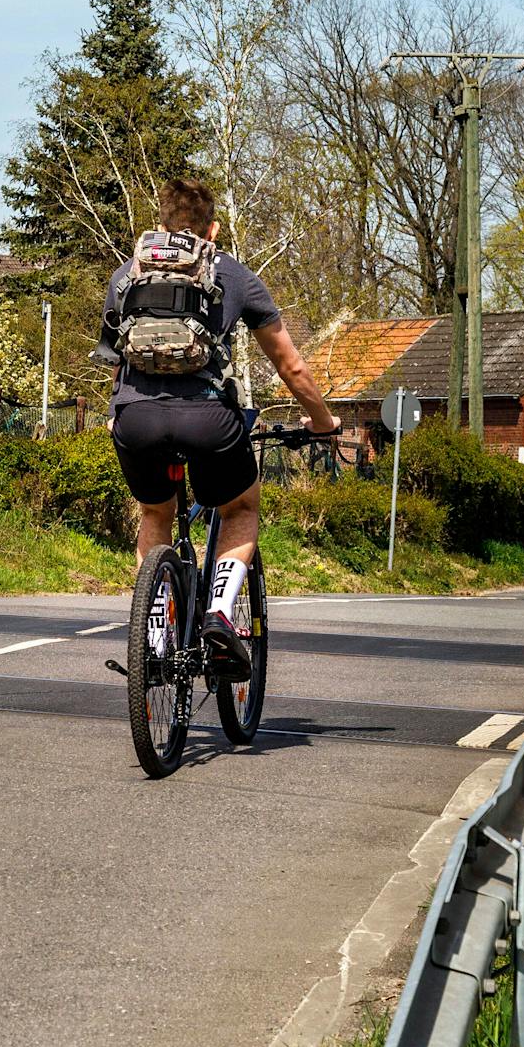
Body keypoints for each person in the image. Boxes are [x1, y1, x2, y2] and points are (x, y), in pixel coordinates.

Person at [102, 178, 340, 679]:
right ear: (212, 229)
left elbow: (112, 356)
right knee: (240, 505)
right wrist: (322, 422)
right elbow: (291, 366)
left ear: (163, 223)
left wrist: (119, 413)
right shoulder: (232, 273)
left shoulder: (127, 273)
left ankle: (155, 637)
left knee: (154, 513)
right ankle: (218, 611)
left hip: (136, 419)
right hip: (207, 421)